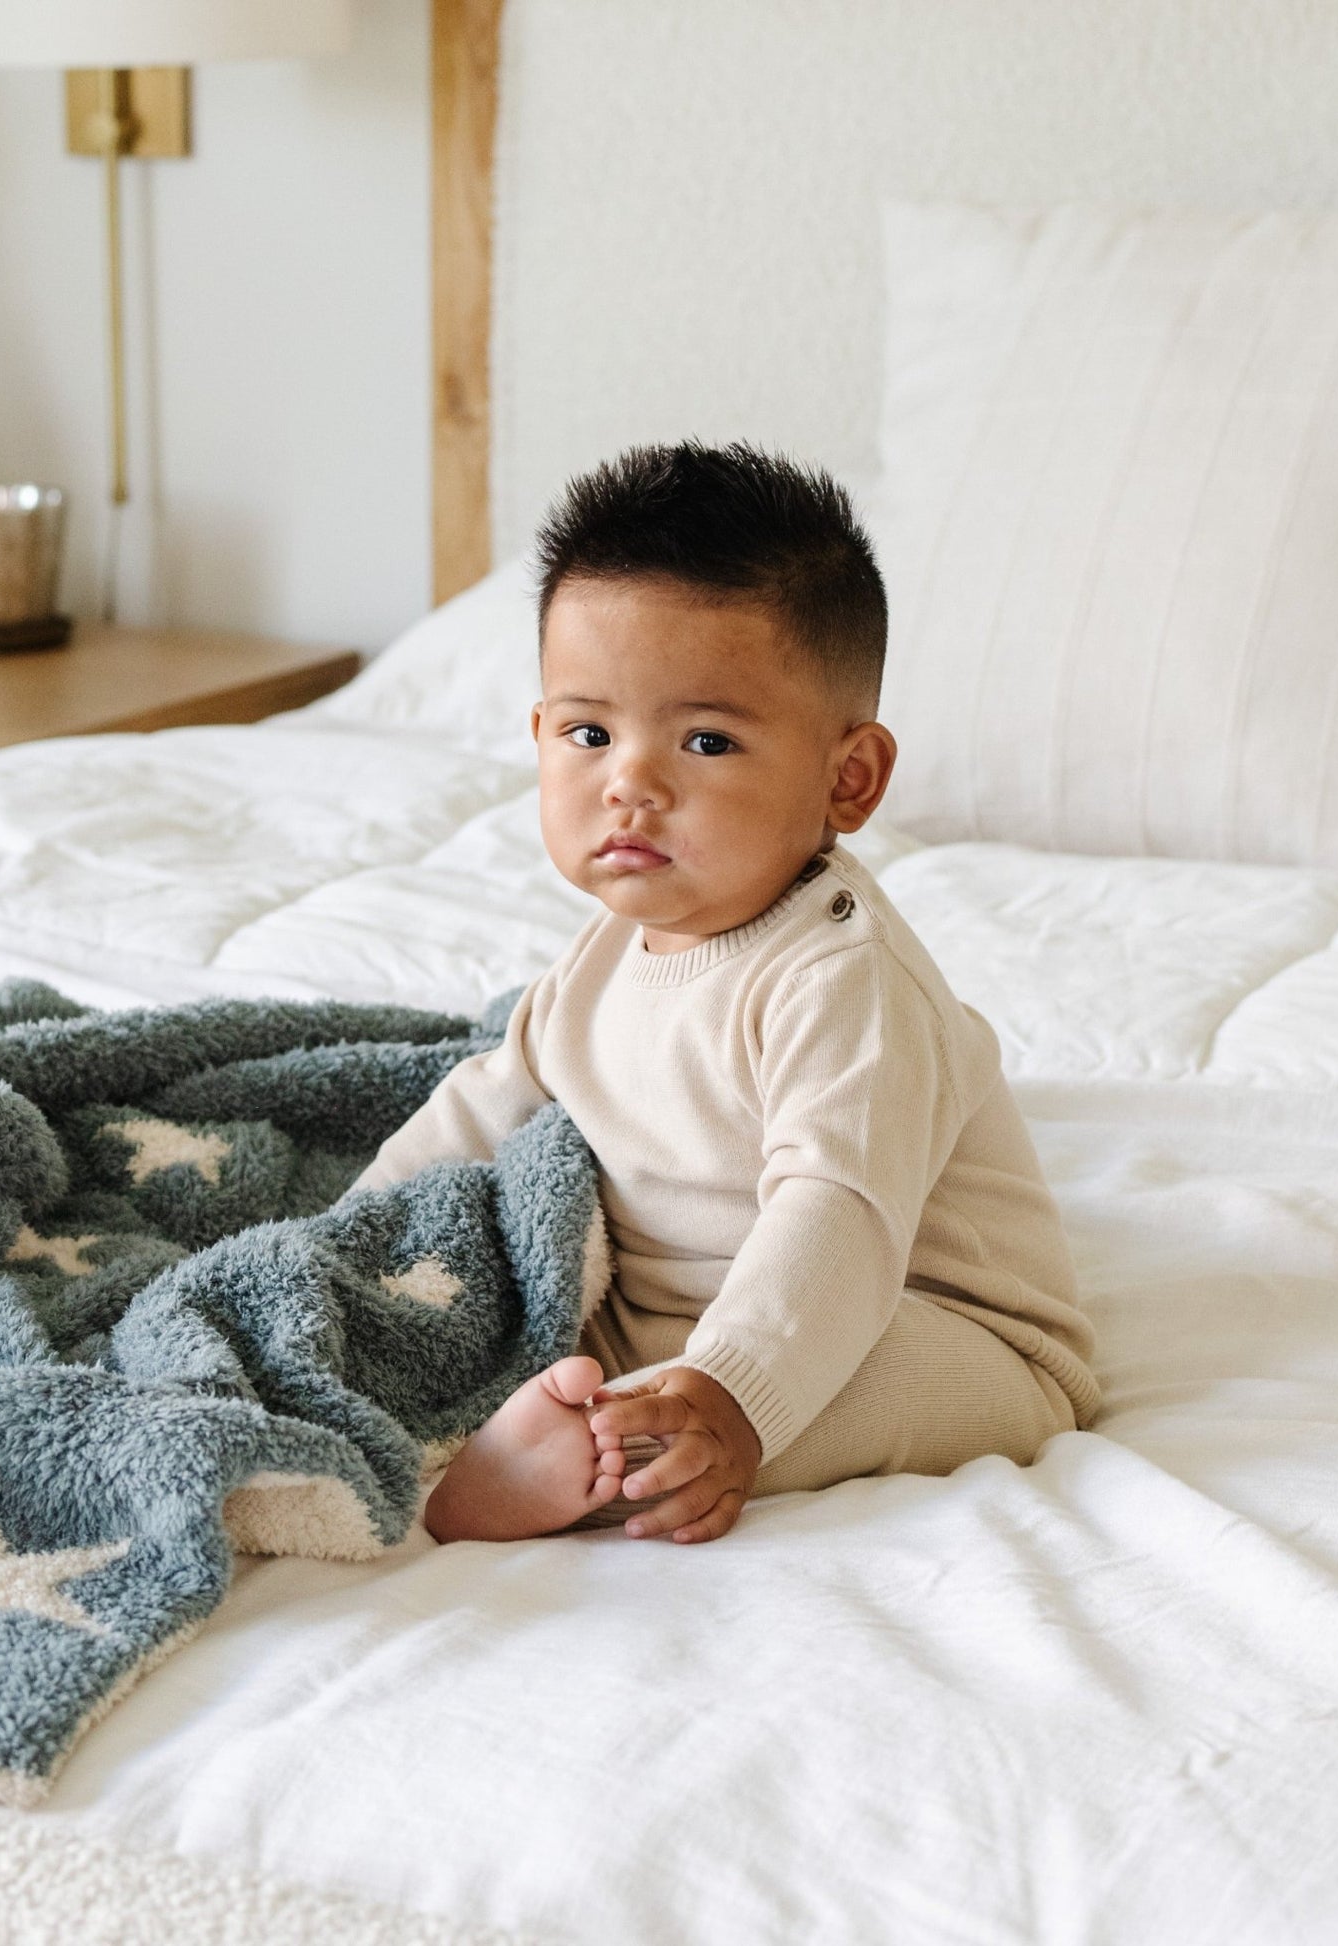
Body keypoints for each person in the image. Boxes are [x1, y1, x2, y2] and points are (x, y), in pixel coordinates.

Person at [351, 443, 1099, 1546]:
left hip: (922, 1318)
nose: (630, 783)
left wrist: (734, 1393)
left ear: (847, 778)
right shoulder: (603, 955)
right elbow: (484, 1105)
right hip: (673, 1317)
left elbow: (836, 1217)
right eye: (590, 733)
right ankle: (564, 1419)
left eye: (705, 740)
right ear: (539, 736)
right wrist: (346, 1244)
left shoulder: (842, 979)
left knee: (802, 1389)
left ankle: (580, 1463)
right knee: (490, 1305)